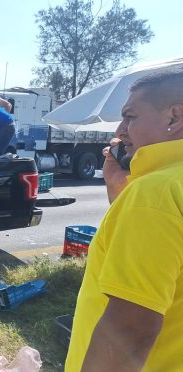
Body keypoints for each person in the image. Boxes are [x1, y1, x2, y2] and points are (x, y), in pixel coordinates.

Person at [66, 68, 183, 371]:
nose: (119, 130)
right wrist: (118, 190)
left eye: (131, 116)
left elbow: (131, 330)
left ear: (175, 117)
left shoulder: (155, 194)